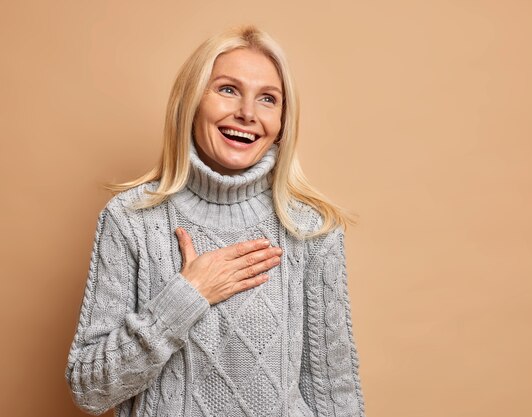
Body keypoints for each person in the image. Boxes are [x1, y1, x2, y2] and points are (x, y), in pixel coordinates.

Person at [65, 24, 366, 417]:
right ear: (190, 102)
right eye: (227, 89)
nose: (246, 113)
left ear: (282, 123)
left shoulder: (309, 229)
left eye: (268, 99)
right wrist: (186, 297)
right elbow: (89, 390)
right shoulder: (130, 221)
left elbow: (334, 394)